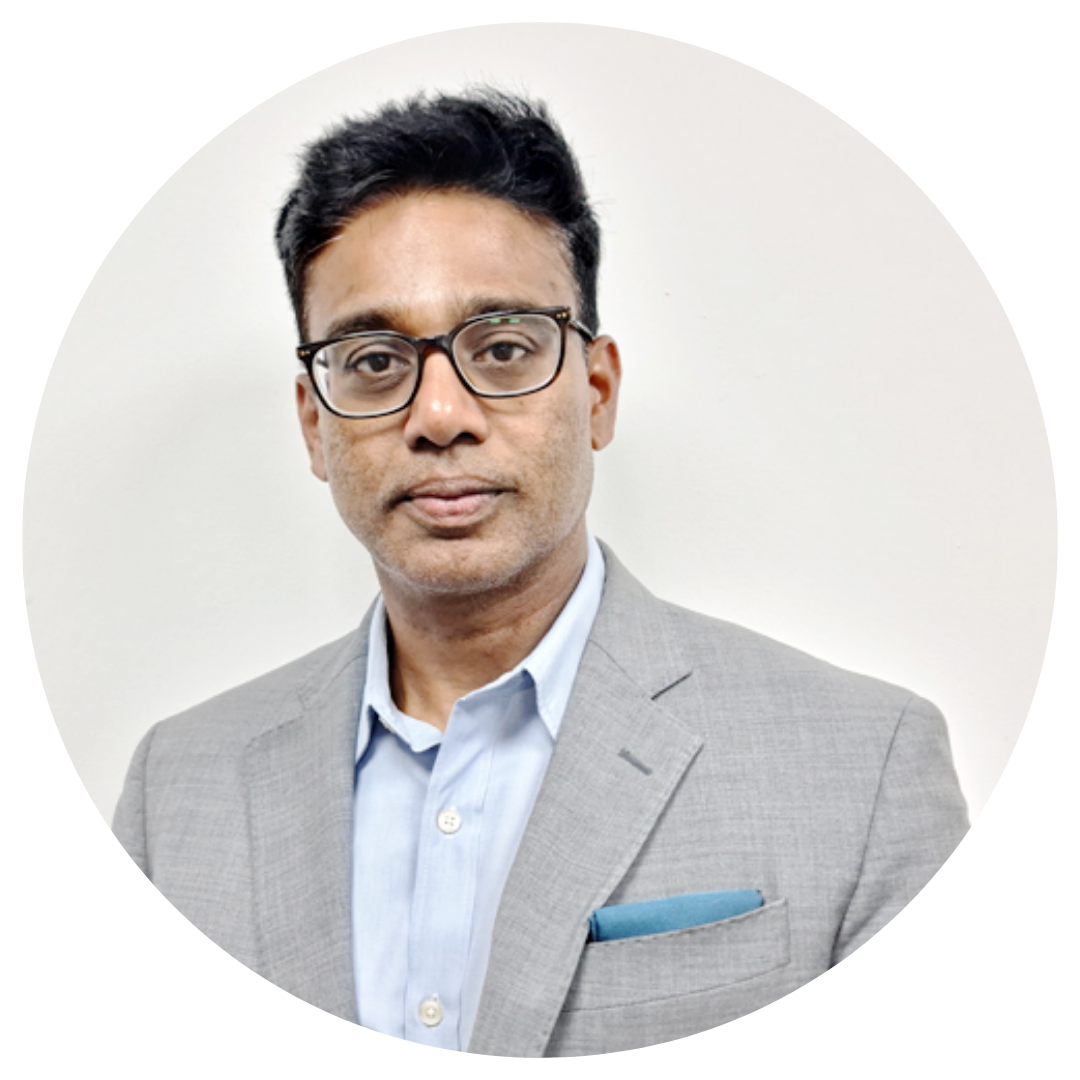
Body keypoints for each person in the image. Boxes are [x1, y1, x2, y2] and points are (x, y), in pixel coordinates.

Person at [113, 89, 969, 1057]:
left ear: (595, 392)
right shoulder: (177, 790)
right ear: (315, 425)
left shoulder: (864, 764)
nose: (440, 416)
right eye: (374, 360)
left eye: (505, 348)